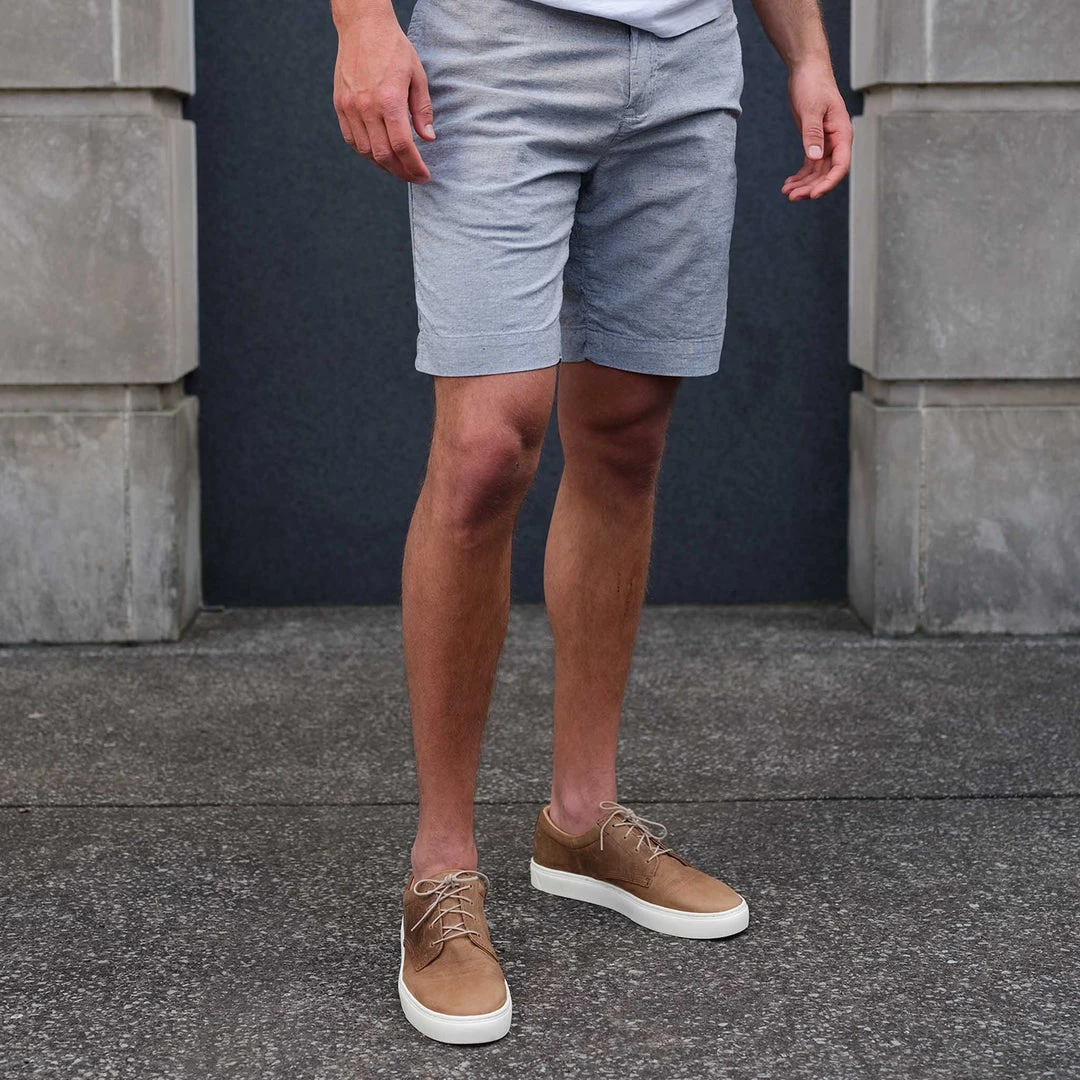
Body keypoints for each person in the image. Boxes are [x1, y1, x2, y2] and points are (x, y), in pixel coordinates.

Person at [331, 0, 852, 1044]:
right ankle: (440, 872)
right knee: (484, 452)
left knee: (626, 434)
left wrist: (808, 54)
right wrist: (361, 23)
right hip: (495, 54)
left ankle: (582, 822)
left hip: (685, 60)